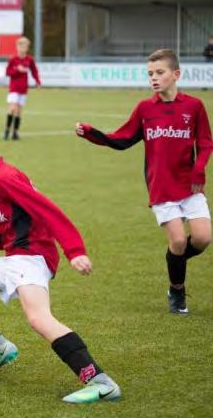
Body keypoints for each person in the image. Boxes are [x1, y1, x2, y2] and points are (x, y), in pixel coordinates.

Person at [0, 117, 121, 404]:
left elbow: (49, 212)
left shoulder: (6, 178)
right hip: (16, 259)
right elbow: (13, 233)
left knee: (39, 319)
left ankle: (100, 381)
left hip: (32, 261)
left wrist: (75, 251)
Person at [75, 49, 212, 315]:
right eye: (150, 74)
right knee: (178, 243)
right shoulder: (145, 109)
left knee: (204, 238)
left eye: (160, 73)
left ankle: (175, 261)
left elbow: (206, 143)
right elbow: (122, 139)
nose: (154, 78)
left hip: (190, 186)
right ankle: (177, 290)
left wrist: (199, 169)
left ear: (176, 74)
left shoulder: (194, 106)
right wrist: (94, 134)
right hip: (161, 187)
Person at [4, 36, 41, 140]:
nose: (22, 49)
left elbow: (34, 71)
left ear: (27, 48)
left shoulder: (29, 60)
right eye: (20, 46)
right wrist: (17, 70)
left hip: (23, 89)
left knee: (19, 111)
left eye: (24, 47)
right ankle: (7, 130)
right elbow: (7, 72)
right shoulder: (13, 60)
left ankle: (15, 132)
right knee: (13, 108)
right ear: (17, 47)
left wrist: (38, 81)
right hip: (14, 88)